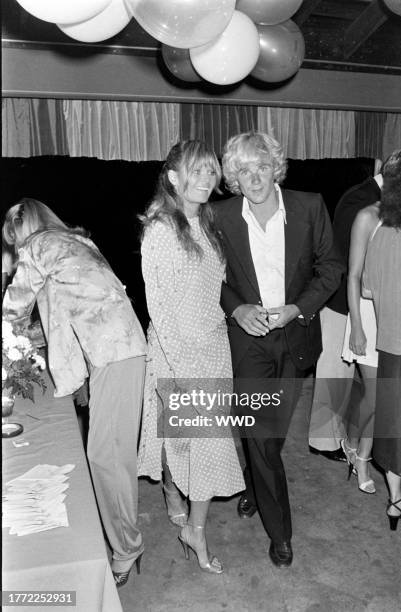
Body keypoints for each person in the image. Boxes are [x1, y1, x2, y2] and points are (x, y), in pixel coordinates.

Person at [2, 198, 147, 586]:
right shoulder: (77, 242)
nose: (16, 250)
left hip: (115, 354)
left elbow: (13, 309)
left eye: (13, 240)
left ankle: (127, 548)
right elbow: (63, 308)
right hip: (117, 349)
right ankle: (124, 541)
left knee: (106, 458)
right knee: (107, 456)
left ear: (24, 227)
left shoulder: (38, 245)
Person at [215, 131, 343, 567]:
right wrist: (236, 309)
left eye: (262, 167)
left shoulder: (309, 207)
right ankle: (281, 531)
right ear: (233, 177)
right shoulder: (220, 216)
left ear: (276, 167)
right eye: (244, 170)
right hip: (248, 342)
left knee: (267, 435)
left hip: (295, 337)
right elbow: (208, 276)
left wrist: (298, 309)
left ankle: (254, 486)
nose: (254, 178)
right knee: (263, 438)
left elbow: (331, 269)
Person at [138, 140, 244, 574]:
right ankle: (189, 521)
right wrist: (183, 370)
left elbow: (214, 292)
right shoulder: (161, 229)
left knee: (211, 449)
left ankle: (193, 528)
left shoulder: (209, 224)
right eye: (196, 171)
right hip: (176, 351)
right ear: (173, 177)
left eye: (211, 171)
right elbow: (159, 308)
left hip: (214, 347)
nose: (206, 178)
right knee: (188, 445)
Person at [308, 164, 383, 457]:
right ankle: (323, 443)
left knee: (343, 374)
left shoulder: (367, 192)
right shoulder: (362, 199)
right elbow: (349, 255)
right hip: (341, 299)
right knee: (333, 374)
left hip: (351, 299)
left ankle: (335, 437)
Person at [364, 146, 401, 542]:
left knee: (395, 426)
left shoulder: (383, 233)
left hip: (393, 344)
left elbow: (367, 289)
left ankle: (396, 500)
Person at [339, 198, 381, 494]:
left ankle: (359, 453)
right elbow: (353, 276)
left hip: (394, 314)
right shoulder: (367, 216)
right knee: (377, 394)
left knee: (384, 396)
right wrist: (356, 326)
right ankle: (355, 450)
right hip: (365, 314)